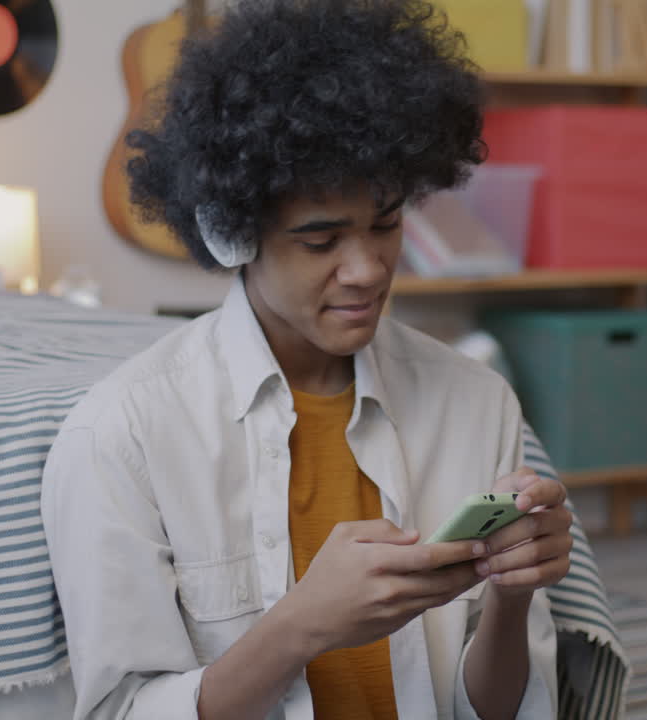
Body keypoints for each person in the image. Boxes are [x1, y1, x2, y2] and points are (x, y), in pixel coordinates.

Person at [40, 0, 573, 718]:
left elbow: (497, 711)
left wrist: (513, 596)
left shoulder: (476, 401)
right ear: (233, 233)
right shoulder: (121, 437)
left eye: (385, 227)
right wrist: (302, 626)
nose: (366, 269)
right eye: (321, 242)